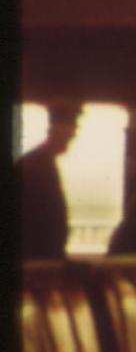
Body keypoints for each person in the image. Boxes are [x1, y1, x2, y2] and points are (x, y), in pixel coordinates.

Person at [19, 100, 83, 261]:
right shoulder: (37, 166)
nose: (74, 134)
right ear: (56, 128)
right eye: (71, 127)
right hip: (37, 259)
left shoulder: (37, 163)